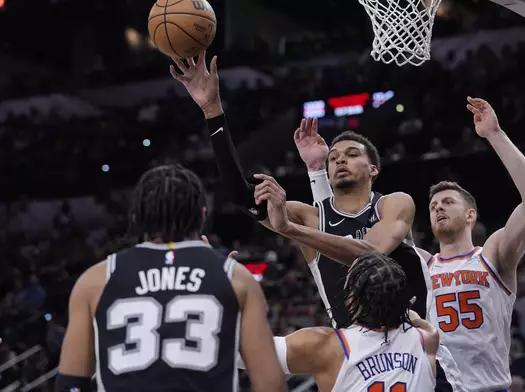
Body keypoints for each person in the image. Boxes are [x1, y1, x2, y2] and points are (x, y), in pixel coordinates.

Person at [173, 51, 460, 392]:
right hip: (353, 349)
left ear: (373, 169)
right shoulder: (312, 217)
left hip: (417, 345)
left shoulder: (394, 204)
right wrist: (212, 111)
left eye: (352, 154)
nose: (340, 160)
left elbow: (371, 253)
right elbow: (241, 196)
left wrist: (290, 230)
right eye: (335, 157)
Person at [301, 97, 525, 391]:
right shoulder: (418, 264)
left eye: (447, 202)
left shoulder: (493, 255)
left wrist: (495, 135)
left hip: (487, 387)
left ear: (471, 214)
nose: (438, 208)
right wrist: (317, 172)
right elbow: (340, 232)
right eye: (433, 205)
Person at [55, 164, 285, 392]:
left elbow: (70, 385)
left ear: (136, 217)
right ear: (202, 217)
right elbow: (270, 383)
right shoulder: (235, 277)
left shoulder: (95, 280)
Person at [238, 253, 439, 392]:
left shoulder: (325, 346)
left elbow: (242, 353)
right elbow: (415, 319)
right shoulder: (427, 338)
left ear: (352, 299)